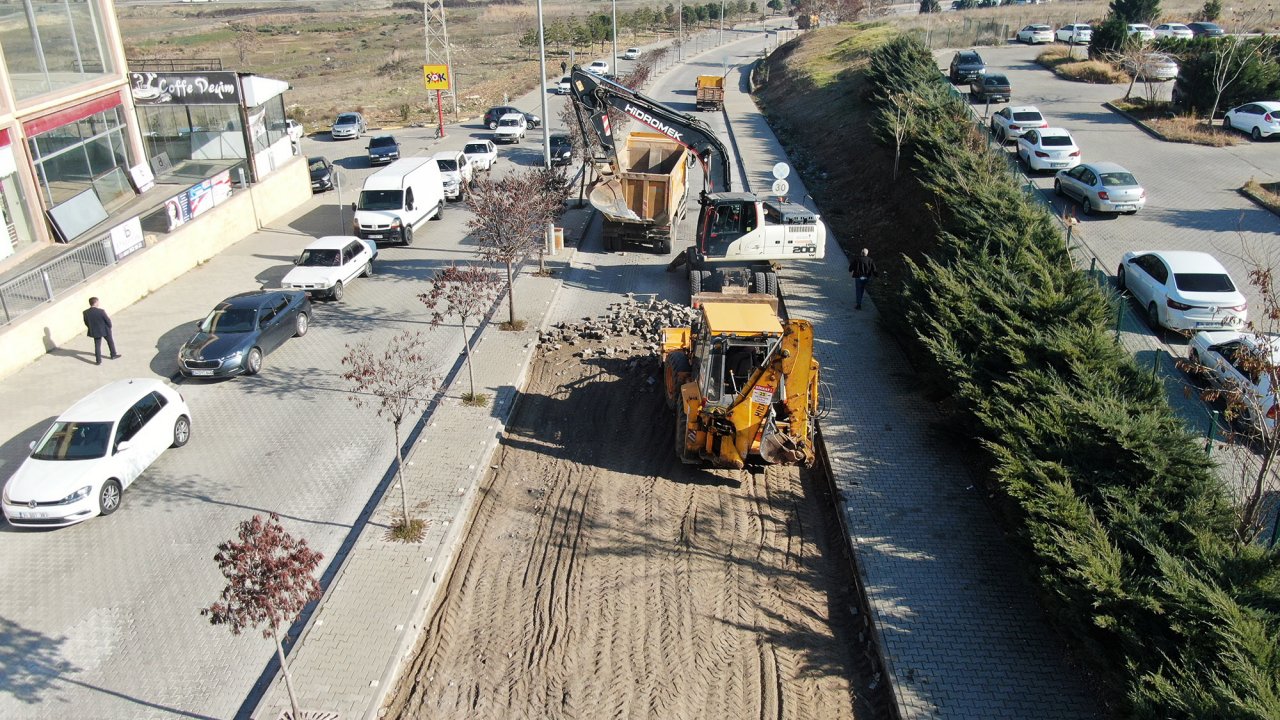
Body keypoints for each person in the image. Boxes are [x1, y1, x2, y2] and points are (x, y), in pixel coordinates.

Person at [83, 297, 120, 365]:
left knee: (97, 345)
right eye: (98, 302)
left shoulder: (85, 312)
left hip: (95, 330)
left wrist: (91, 327)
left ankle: (98, 360)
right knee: (110, 341)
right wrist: (109, 326)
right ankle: (113, 355)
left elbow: (86, 322)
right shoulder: (101, 311)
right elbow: (108, 320)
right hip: (105, 329)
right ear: (95, 302)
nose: (98, 303)